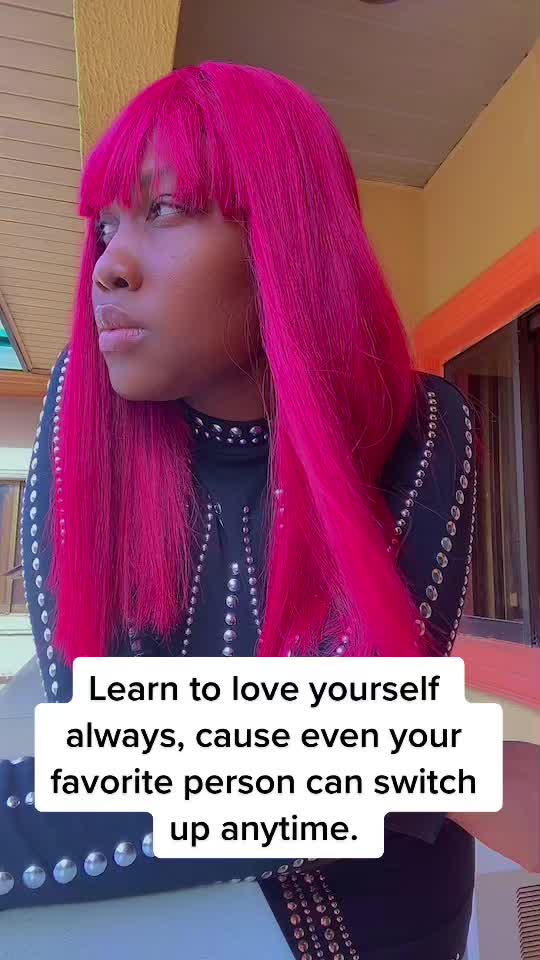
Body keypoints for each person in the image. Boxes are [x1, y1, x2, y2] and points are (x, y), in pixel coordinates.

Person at [2, 63, 476, 958]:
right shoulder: (86, 414)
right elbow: (105, 739)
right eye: (105, 226)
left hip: (376, 921)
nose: (108, 266)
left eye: (165, 209)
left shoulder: (420, 421)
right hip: (146, 922)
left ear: (283, 233)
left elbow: (351, 762)